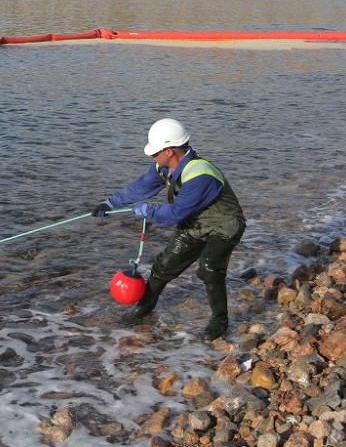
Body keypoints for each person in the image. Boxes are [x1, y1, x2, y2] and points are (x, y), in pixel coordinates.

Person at [90, 118, 246, 341]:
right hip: (195, 225)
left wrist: (150, 212)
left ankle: (219, 321)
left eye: (155, 152)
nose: (152, 156)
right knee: (163, 266)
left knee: (210, 268)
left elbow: (176, 213)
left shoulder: (200, 175)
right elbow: (141, 186)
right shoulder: (163, 167)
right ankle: (144, 309)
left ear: (170, 151)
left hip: (225, 225)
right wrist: (110, 203)